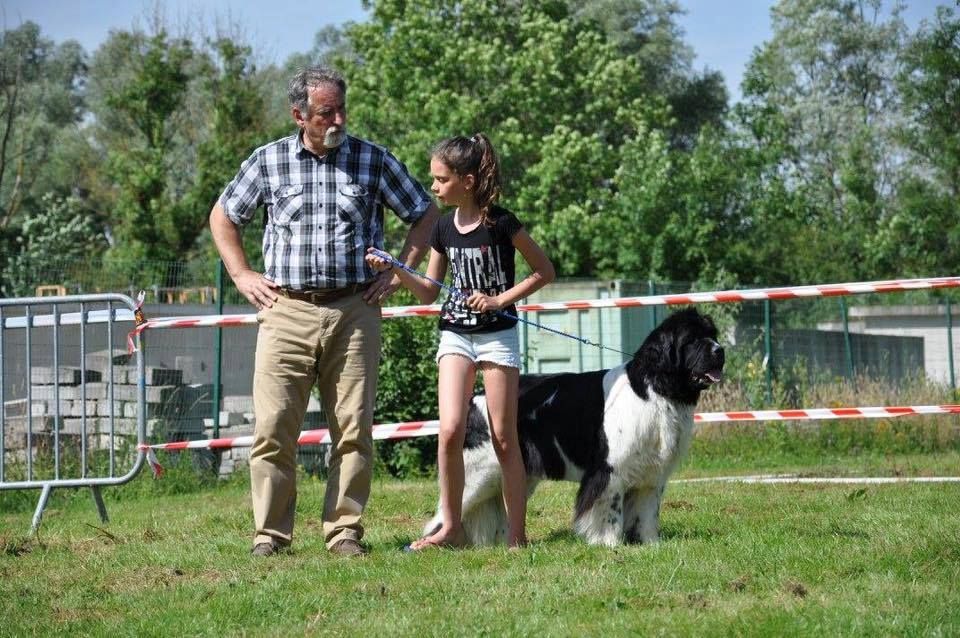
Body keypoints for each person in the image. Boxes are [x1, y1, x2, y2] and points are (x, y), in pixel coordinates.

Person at [210, 65, 439, 557]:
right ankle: (269, 536)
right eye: (325, 112)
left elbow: (425, 212)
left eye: (340, 109)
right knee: (272, 428)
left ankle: (344, 533)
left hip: (355, 310)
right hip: (285, 310)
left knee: (353, 431)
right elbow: (224, 215)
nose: (337, 119)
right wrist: (242, 274)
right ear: (299, 115)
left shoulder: (373, 160)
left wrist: (400, 269)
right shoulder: (268, 161)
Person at [365, 133, 554, 549]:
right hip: (455, 335)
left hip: (497, 338)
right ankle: (450, 528)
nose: (433, 187)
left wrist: (499, 299)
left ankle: (517, 537)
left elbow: (544, 270)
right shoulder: (442, 228)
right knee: (449, 431)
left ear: (466, 181)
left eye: (440, 179)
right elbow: (429, 291)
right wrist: (395, 267)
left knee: (504, 438)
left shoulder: (501, 223)